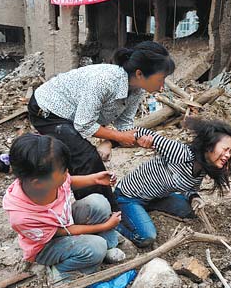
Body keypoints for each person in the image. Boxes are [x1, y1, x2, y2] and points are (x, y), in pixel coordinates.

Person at [28, 41, 175, 211]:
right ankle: (98, 213)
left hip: (75, 114)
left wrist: (137, 138)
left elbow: (124, 124)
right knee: (85, 158)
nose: (162, 86)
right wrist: (118, 137)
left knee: (82, 154)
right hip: (47, 110)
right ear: (140, 73)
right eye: (160, 79)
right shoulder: (104, 81)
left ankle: (108, 210)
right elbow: (84, 125)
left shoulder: (137, 90)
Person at [2, 133, 125, 283]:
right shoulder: (21, 216)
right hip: (47, 245)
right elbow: (60, 232)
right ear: (38, 183)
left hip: (66, 222)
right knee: (96, 247)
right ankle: (63, 271)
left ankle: (109, 247)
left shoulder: (48, 180)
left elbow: (69, 181)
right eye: (63, 172)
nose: (67, 173)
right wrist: (104, 225)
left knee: (98, 202)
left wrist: (95, 179)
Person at [115, 118, 231, 247]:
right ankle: (114, 227)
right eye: (225, 149)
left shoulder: (202, 169)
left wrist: (195, 198)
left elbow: (189, 189)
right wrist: (111, 140)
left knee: (190, 211)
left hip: (156, 198)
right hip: (129, 196)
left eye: (230, 152)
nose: (228, 155)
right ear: (209, 145)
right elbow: (139, 131)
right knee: (146, 237)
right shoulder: (180, 153)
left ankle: (143, 211)